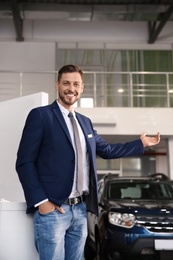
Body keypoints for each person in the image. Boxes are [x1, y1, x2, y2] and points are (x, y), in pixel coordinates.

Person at [16, 64, 160, 260]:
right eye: (66, 83)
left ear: (82, 88)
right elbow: (25, 162)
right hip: (54, 209)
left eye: (76, 84)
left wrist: (140, 143)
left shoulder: (85, 122)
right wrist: (42, 202)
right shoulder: (41, 115)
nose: (71, 88)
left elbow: (107, 151)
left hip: (81, 210)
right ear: (57, 85)